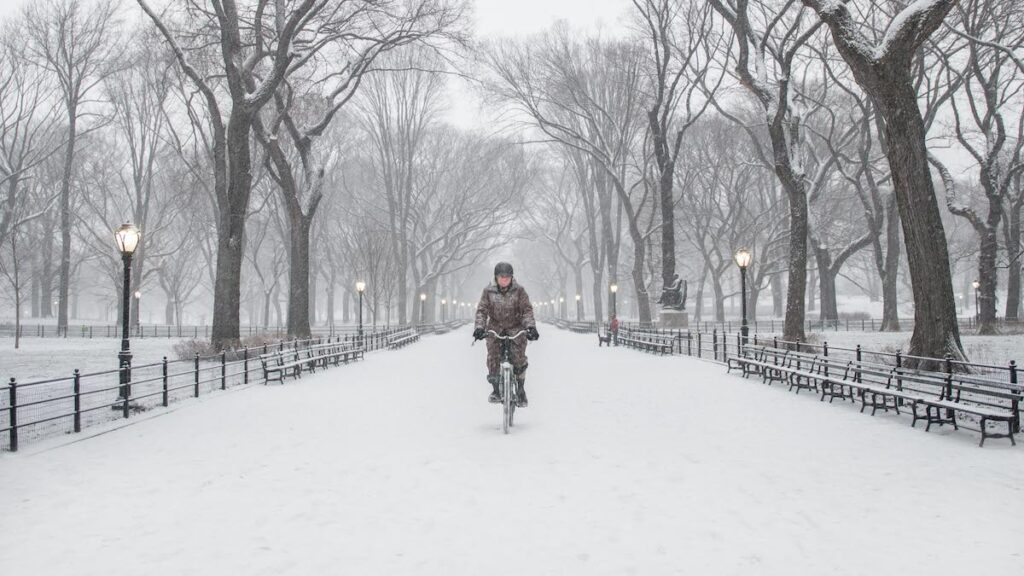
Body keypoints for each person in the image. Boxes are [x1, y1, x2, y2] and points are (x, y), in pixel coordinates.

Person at [472, 262, 539, 407]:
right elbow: (482, 311)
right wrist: (479, 327)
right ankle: (496, 390)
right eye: (501, 277)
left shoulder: (519, 291)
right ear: (496, 277)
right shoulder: (488, 291)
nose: (504, 280)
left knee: (519, 359)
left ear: (511, 277)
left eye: (507, 277)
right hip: (495, 329)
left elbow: (527, 310)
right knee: (493, 357)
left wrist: (530, 327)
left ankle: (521, 389)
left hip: (516, 329)